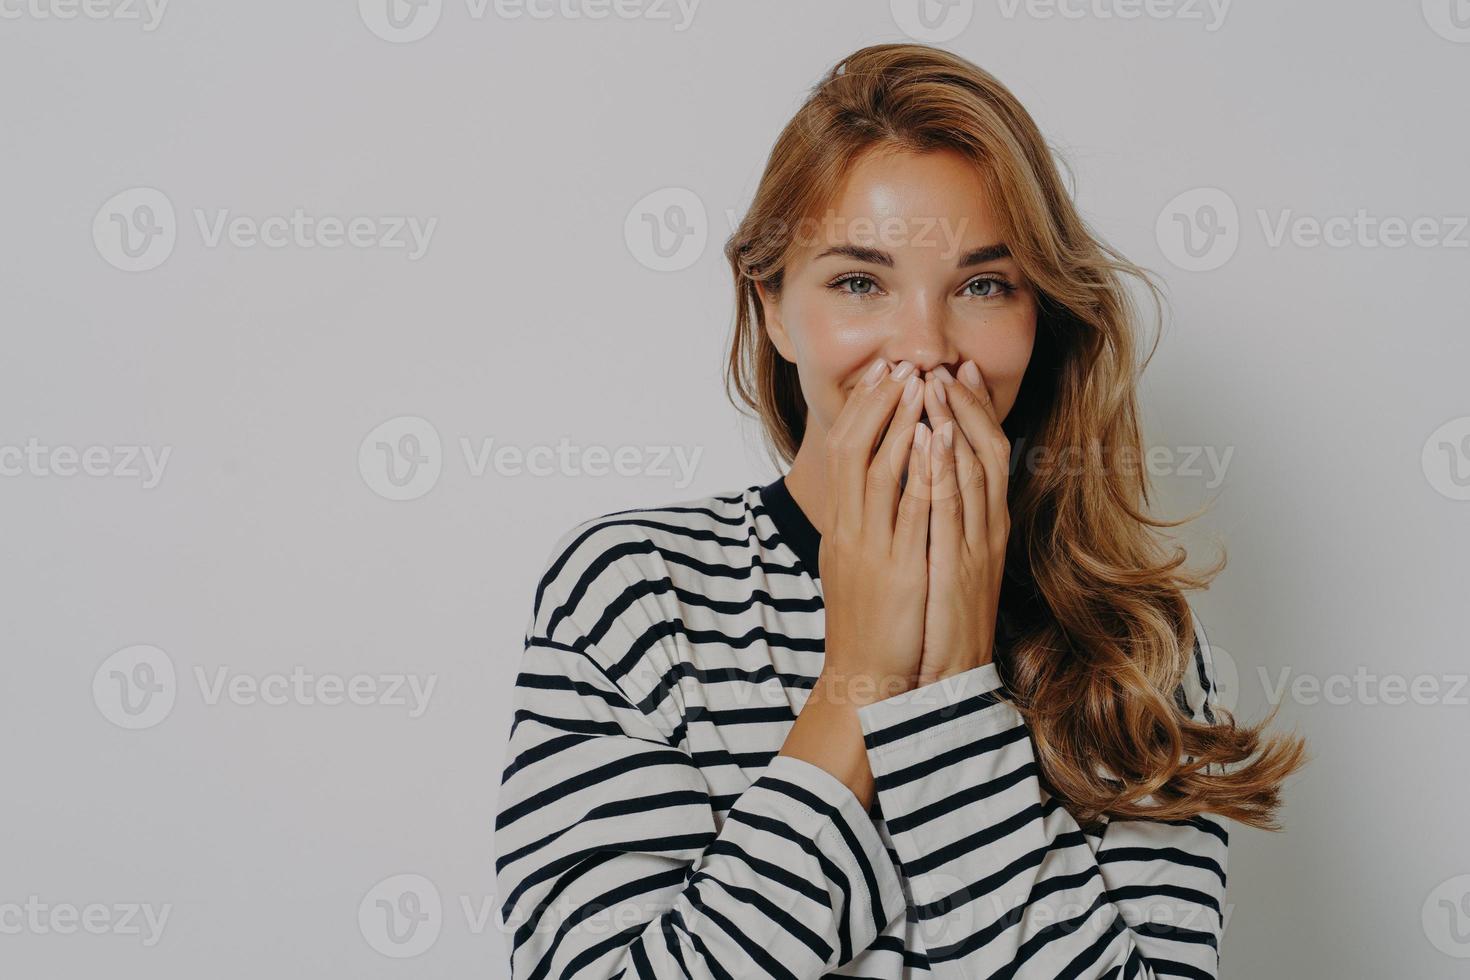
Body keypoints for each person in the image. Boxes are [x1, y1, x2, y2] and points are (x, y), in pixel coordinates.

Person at [493, 42, 1308, 979]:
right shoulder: (635, 594)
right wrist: (865, 676)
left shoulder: (1133, 646)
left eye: (982, 286)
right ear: (773, 307)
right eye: (858, 282)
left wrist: (952, 687)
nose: (924, 349)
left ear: (1038, 319)